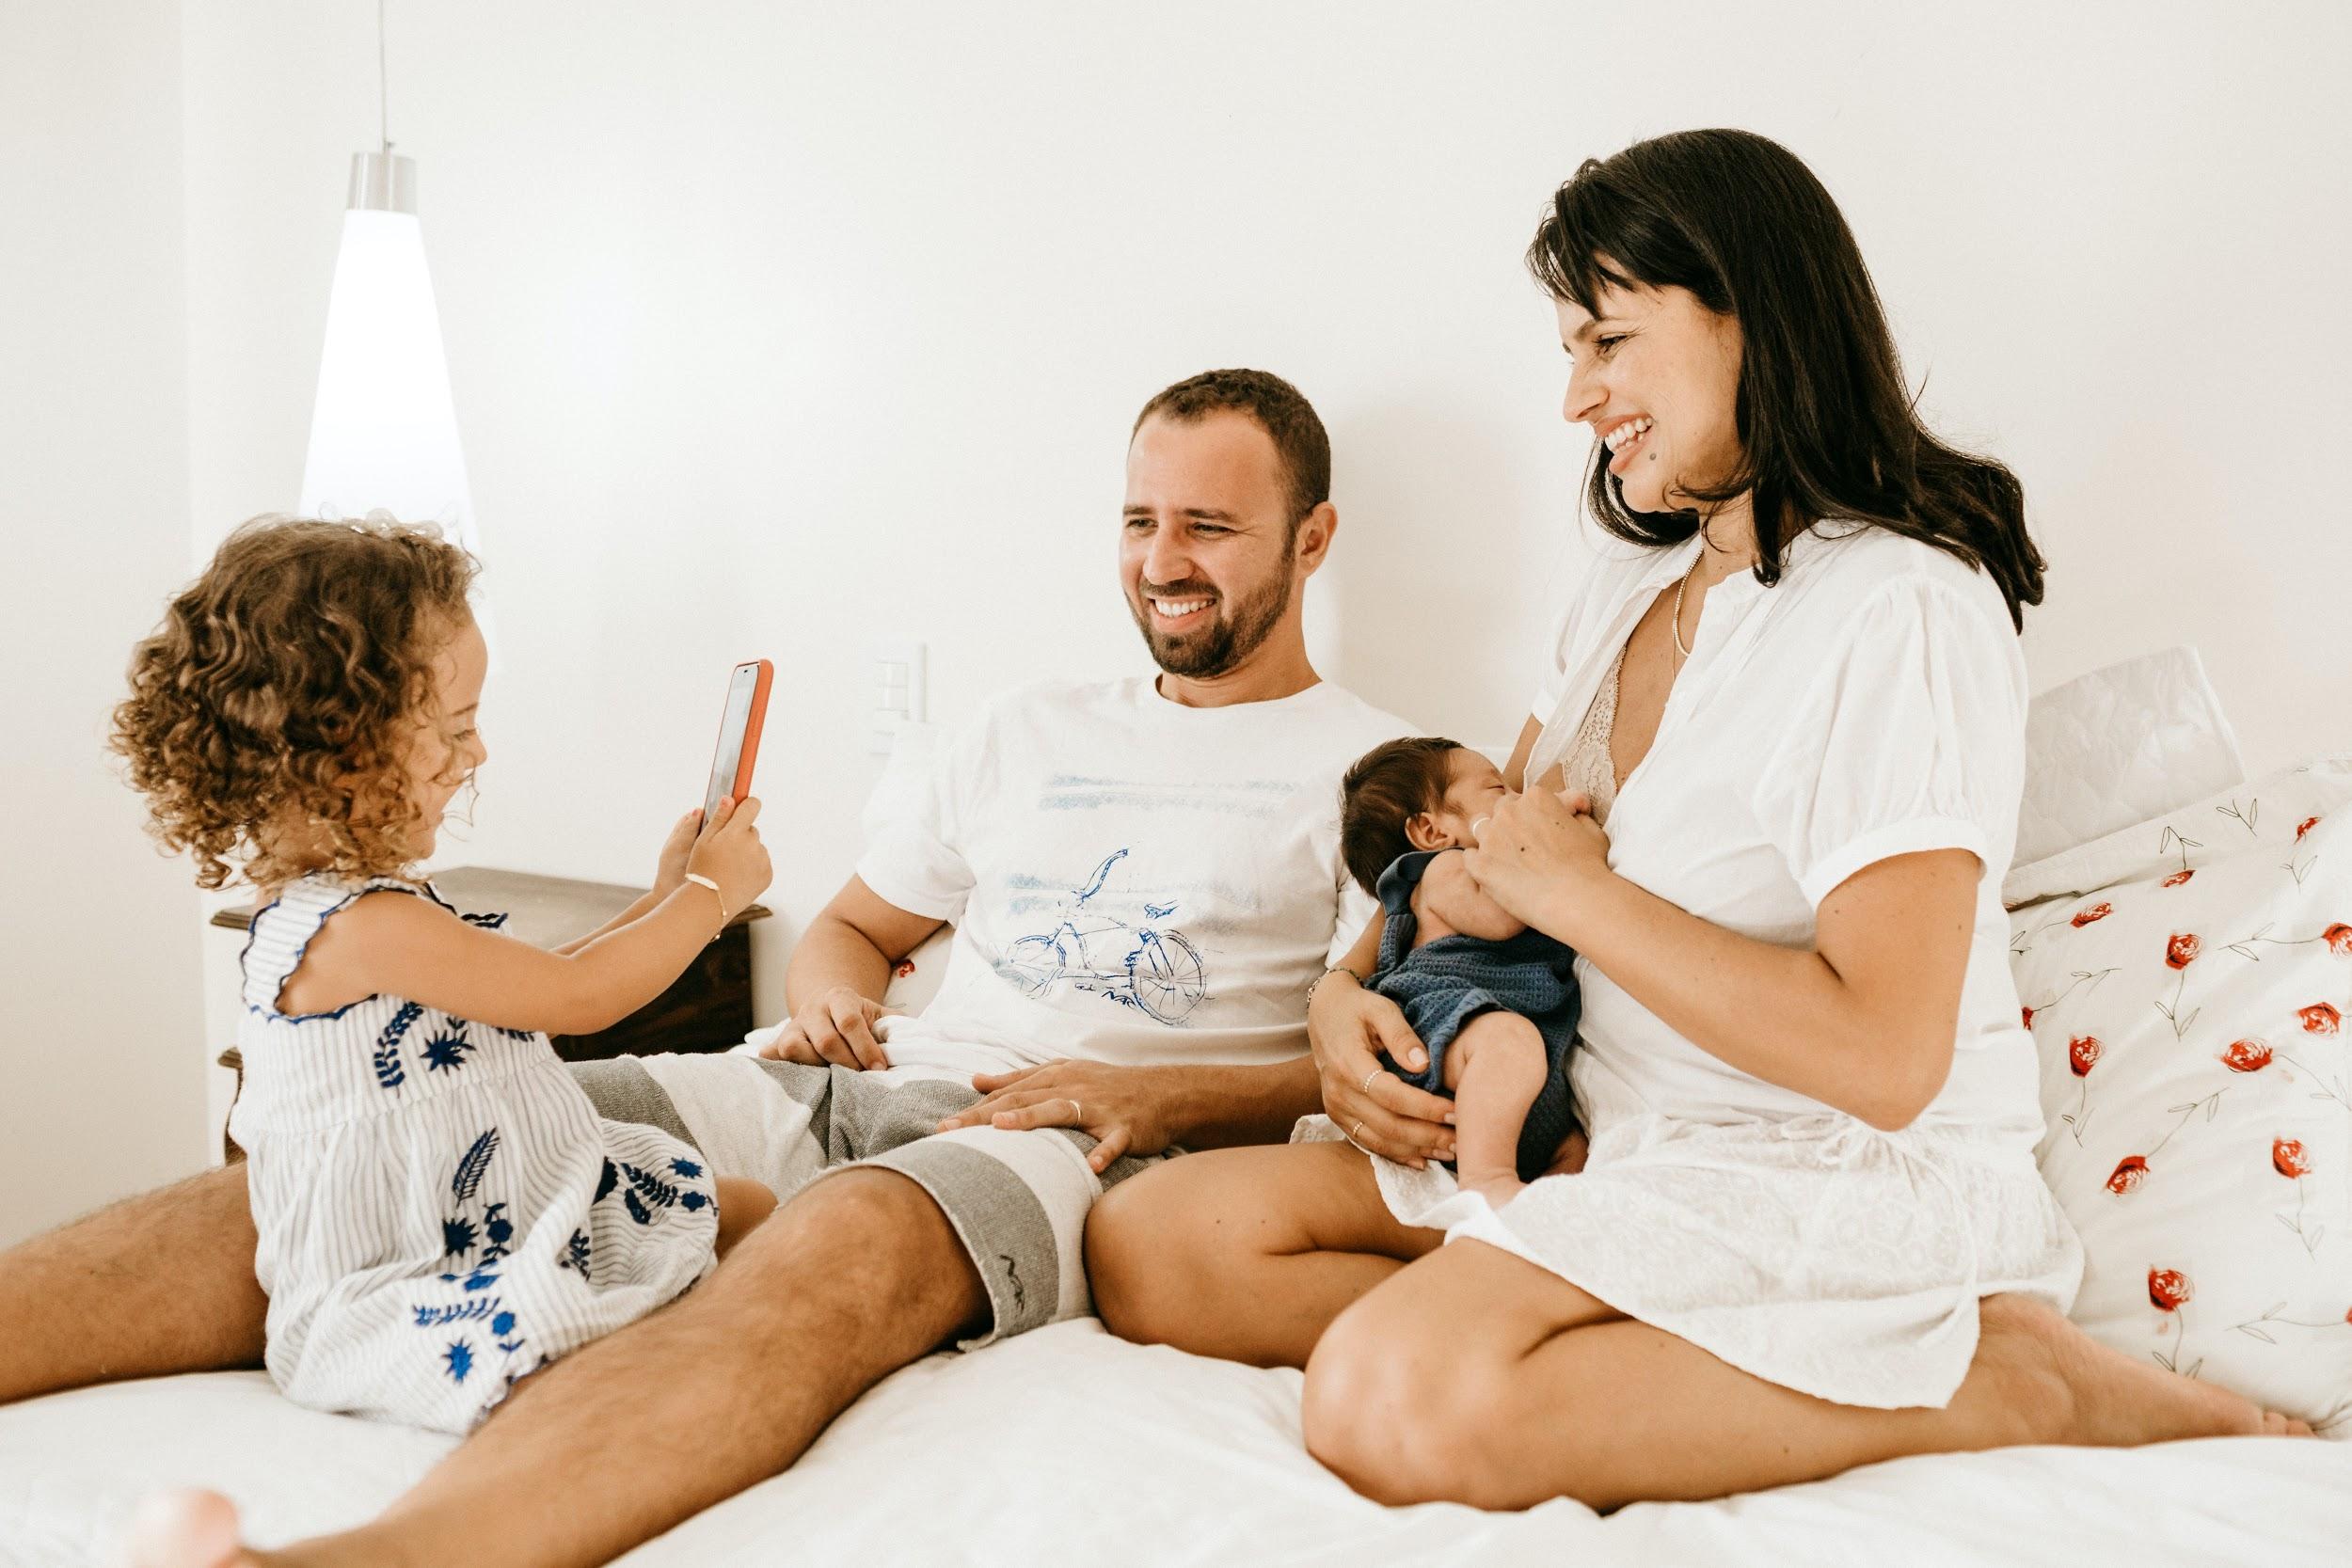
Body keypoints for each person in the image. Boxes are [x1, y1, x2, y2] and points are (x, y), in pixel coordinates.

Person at [0, 368, 1418, 1568]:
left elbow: (1378, 1063)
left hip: (1056, 1138)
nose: (1164, 559)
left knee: (828, 1257)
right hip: (830, 1076)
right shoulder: (1023, 727)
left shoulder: (1379, 771)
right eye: (1140, 520)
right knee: (424, 1137)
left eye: (1212, 526)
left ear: (1314, 538)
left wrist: (1160, 1102)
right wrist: (830, 1000)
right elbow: (854, 928)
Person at [1087, 129, 2311, 1514]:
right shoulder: (1631, 580)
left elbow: (1888, 1052)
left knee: (1388, 1395)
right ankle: (1607, 1317)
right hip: (1603, 1128)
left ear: (1753, 317)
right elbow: (1491, 848)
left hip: (1825, 1166)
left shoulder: (1897, 605)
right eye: (1570, 347)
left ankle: (2013, 1378)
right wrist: (1338, 990)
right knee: (1152, 1241)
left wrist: (1590, 900)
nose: (1575, 396)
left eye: (1608, 341)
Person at [107, 515, 777, 1434]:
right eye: (456, 728)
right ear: (339, 744)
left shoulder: (357, 906)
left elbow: (537, 981)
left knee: (738, 1207)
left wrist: (666, 894)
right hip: (422, 1261)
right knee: (606, 1312)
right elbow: (582, 999)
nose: (479, 754)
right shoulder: (359, 927)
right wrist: (709, 894)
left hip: (507, 1205)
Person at [1331, 736, 1579, 1206]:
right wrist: (1555, 821)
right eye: (1498, 790)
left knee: (1574, 1145)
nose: (1519, 799)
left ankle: (1543, 1205)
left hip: (1512, 1065)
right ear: (1431, 832)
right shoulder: (1443, 871)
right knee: (1508, 1042)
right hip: (1440, 1022)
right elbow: (1504, 914)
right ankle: (1486, 1181)